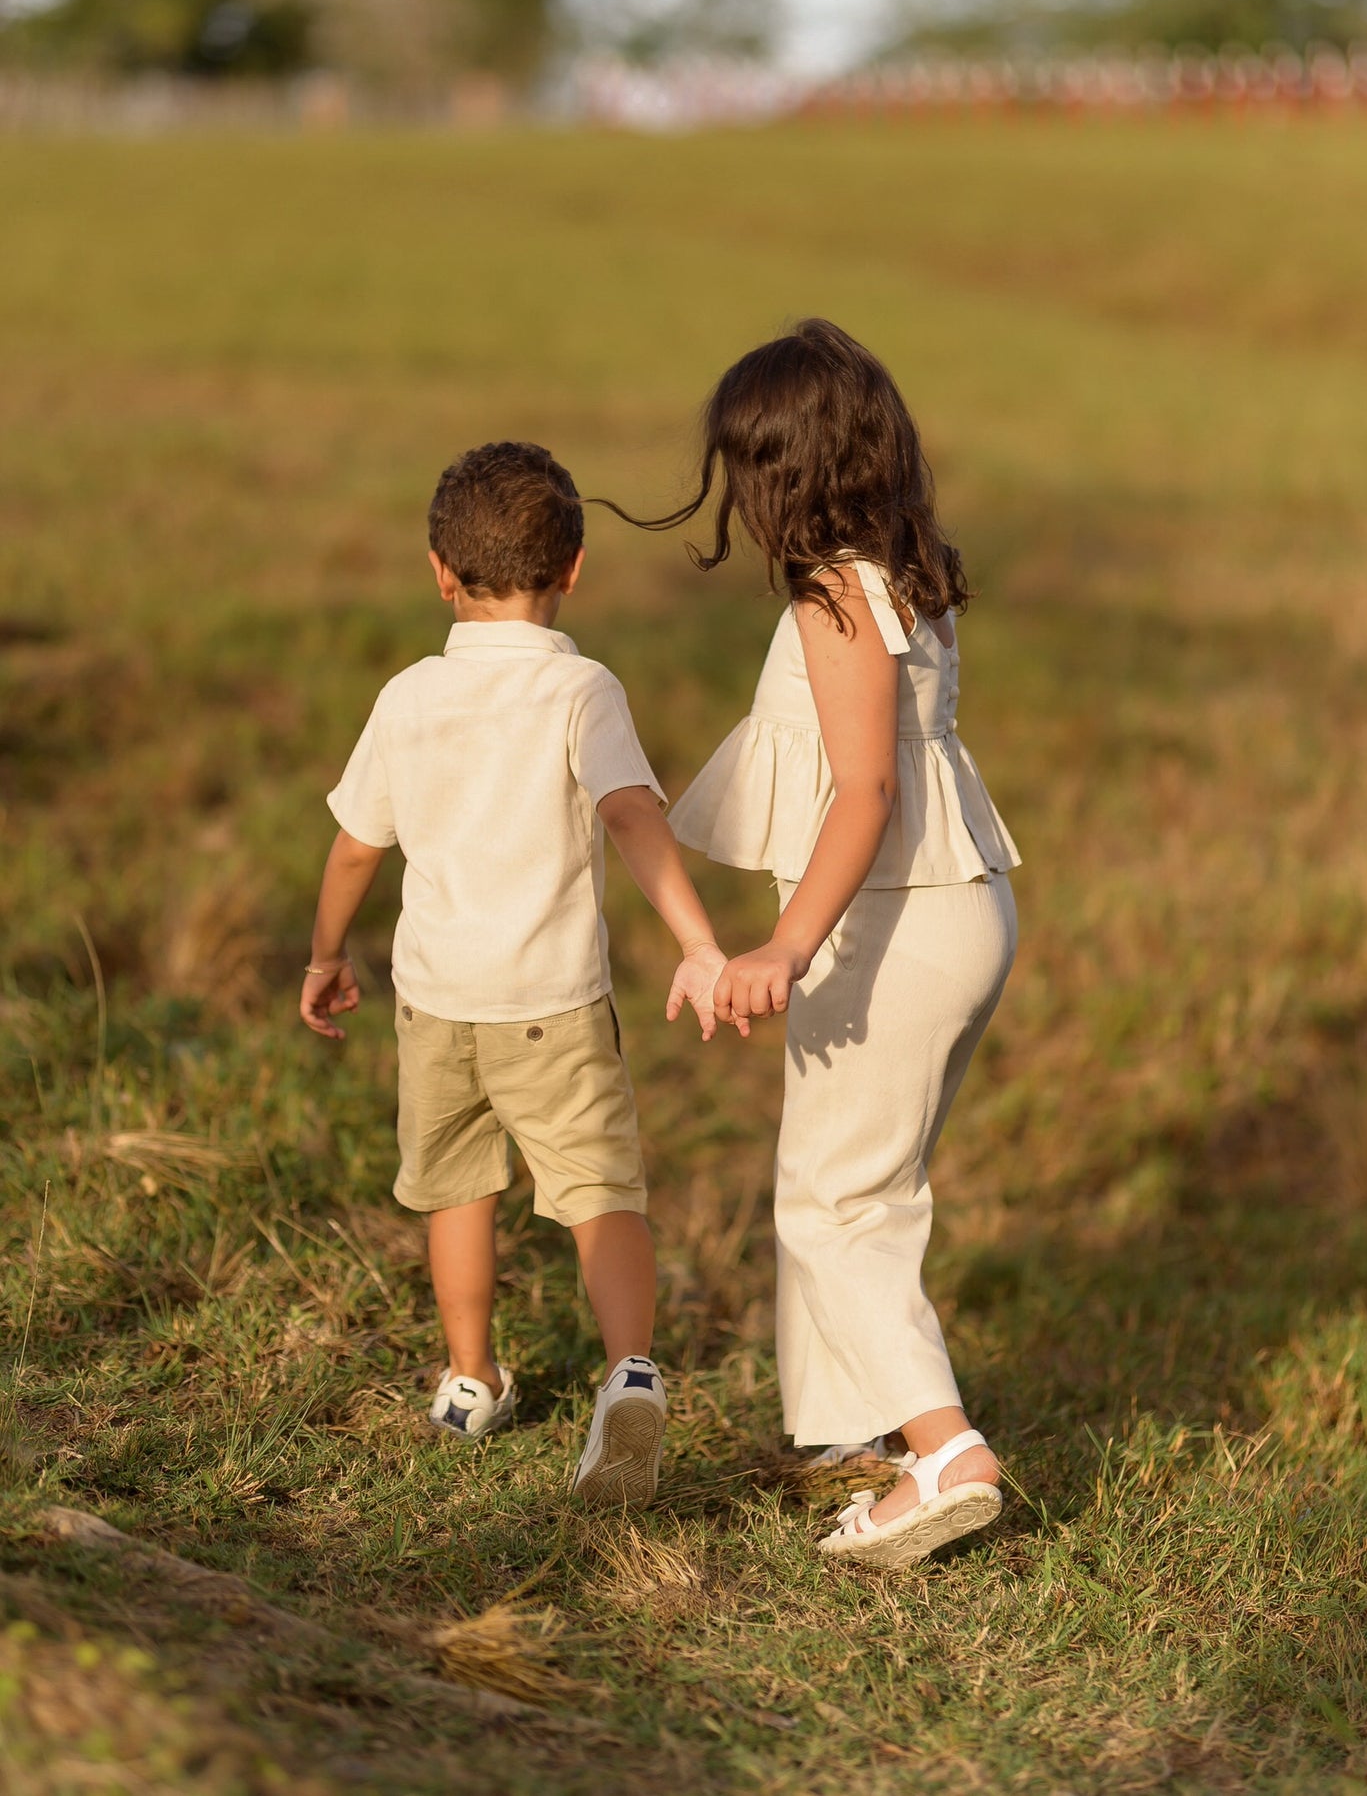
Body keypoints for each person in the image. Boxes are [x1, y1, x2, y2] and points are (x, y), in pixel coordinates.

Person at [613, 318, 1020, 1568]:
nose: (737, 492)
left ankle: (945, 1452)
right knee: (862, 1182)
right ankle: (856, 1432)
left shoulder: (836, 594)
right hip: (958, 906)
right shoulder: (905, 571)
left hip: (893, 923)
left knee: (834, 1202)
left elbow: (863, 794)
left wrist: (783, 944)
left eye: (747, 465)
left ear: (787, 470)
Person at [299, 441, 732, 1508]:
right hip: (554, 1004)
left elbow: (358, 843)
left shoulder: (408, 695)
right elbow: (631, 812)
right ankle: (627, 1367)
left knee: (457, 1186)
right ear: (573, 567)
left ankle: (468, 1375)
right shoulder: (582, 688)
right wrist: (696, 940)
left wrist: (322, 953)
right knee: (598, 1190)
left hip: (437, 1000)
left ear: (438, 569)